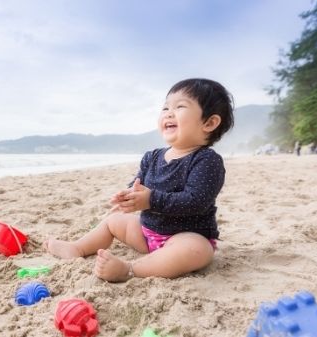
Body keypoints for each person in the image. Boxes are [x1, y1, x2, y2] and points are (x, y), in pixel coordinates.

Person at [45, 78, 234, 282]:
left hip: (184, 237)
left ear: (209, 123)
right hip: (146, 233)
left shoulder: (206, 160)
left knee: (197, 249)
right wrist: (129, 196)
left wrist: (151, 200)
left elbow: (196, 201)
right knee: (113, 221)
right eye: (165, 107)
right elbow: (138, 185)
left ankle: (130, 269)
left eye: (180, 106)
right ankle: (78, 247)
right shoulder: (152, 157)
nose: (169, 112)